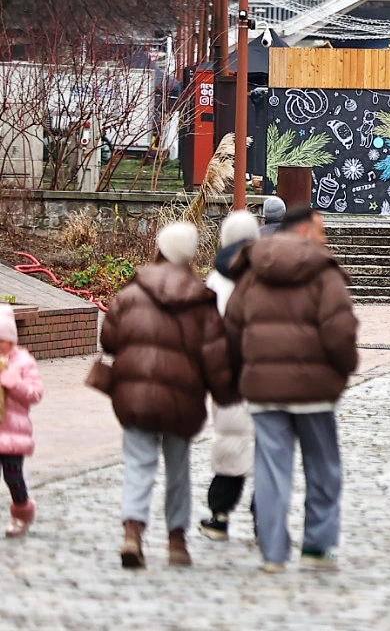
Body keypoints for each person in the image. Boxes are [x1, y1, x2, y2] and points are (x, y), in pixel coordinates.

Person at [223, 205, 359, 574]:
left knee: (271, 471)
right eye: (321, 230)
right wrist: (343, 369)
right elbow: (340, 331)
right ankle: (318, 546)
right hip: (314, 391)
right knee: (323, 468)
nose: (324, 238)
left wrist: (242, 371)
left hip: (264, 390)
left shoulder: (252, 271)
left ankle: (273, 553)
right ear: (303, 231)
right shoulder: (324, 272)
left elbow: (232, 328)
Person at [102, 221, 238, 569]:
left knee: (139, 464)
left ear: (161, 248)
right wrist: (225, 395)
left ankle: (133, 533)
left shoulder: (132, 292)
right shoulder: (201, 300)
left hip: (135, 395)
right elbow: (215, 358)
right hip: (182, 398)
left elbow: (109, 340)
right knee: (178, 469)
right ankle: (176, 541)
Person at [199, 210, 262, 542]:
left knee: (230, 440)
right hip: (263, 370)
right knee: (266, 447)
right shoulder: (267, 274)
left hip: (226, 372)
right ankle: (264, 517)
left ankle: (219, 514)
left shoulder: (215, 279)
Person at [1, 304, 44, 539]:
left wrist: (14, 383)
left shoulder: (23, 362)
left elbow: (35, 393)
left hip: (14, 434)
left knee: (13, 478)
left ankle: (22, 514)